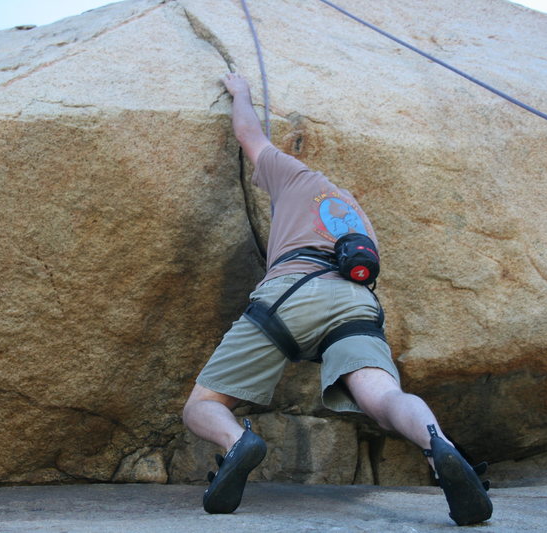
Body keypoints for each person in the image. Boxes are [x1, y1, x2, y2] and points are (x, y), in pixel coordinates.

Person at [182, 72, 492, 526]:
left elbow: (249, 134)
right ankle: (434, 443)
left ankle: (235, 442)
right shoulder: (360, 221)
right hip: (355, 303)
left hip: (291, 293)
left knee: (202, 404)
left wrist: (241, 93)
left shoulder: (295, 176)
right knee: (385, 398)